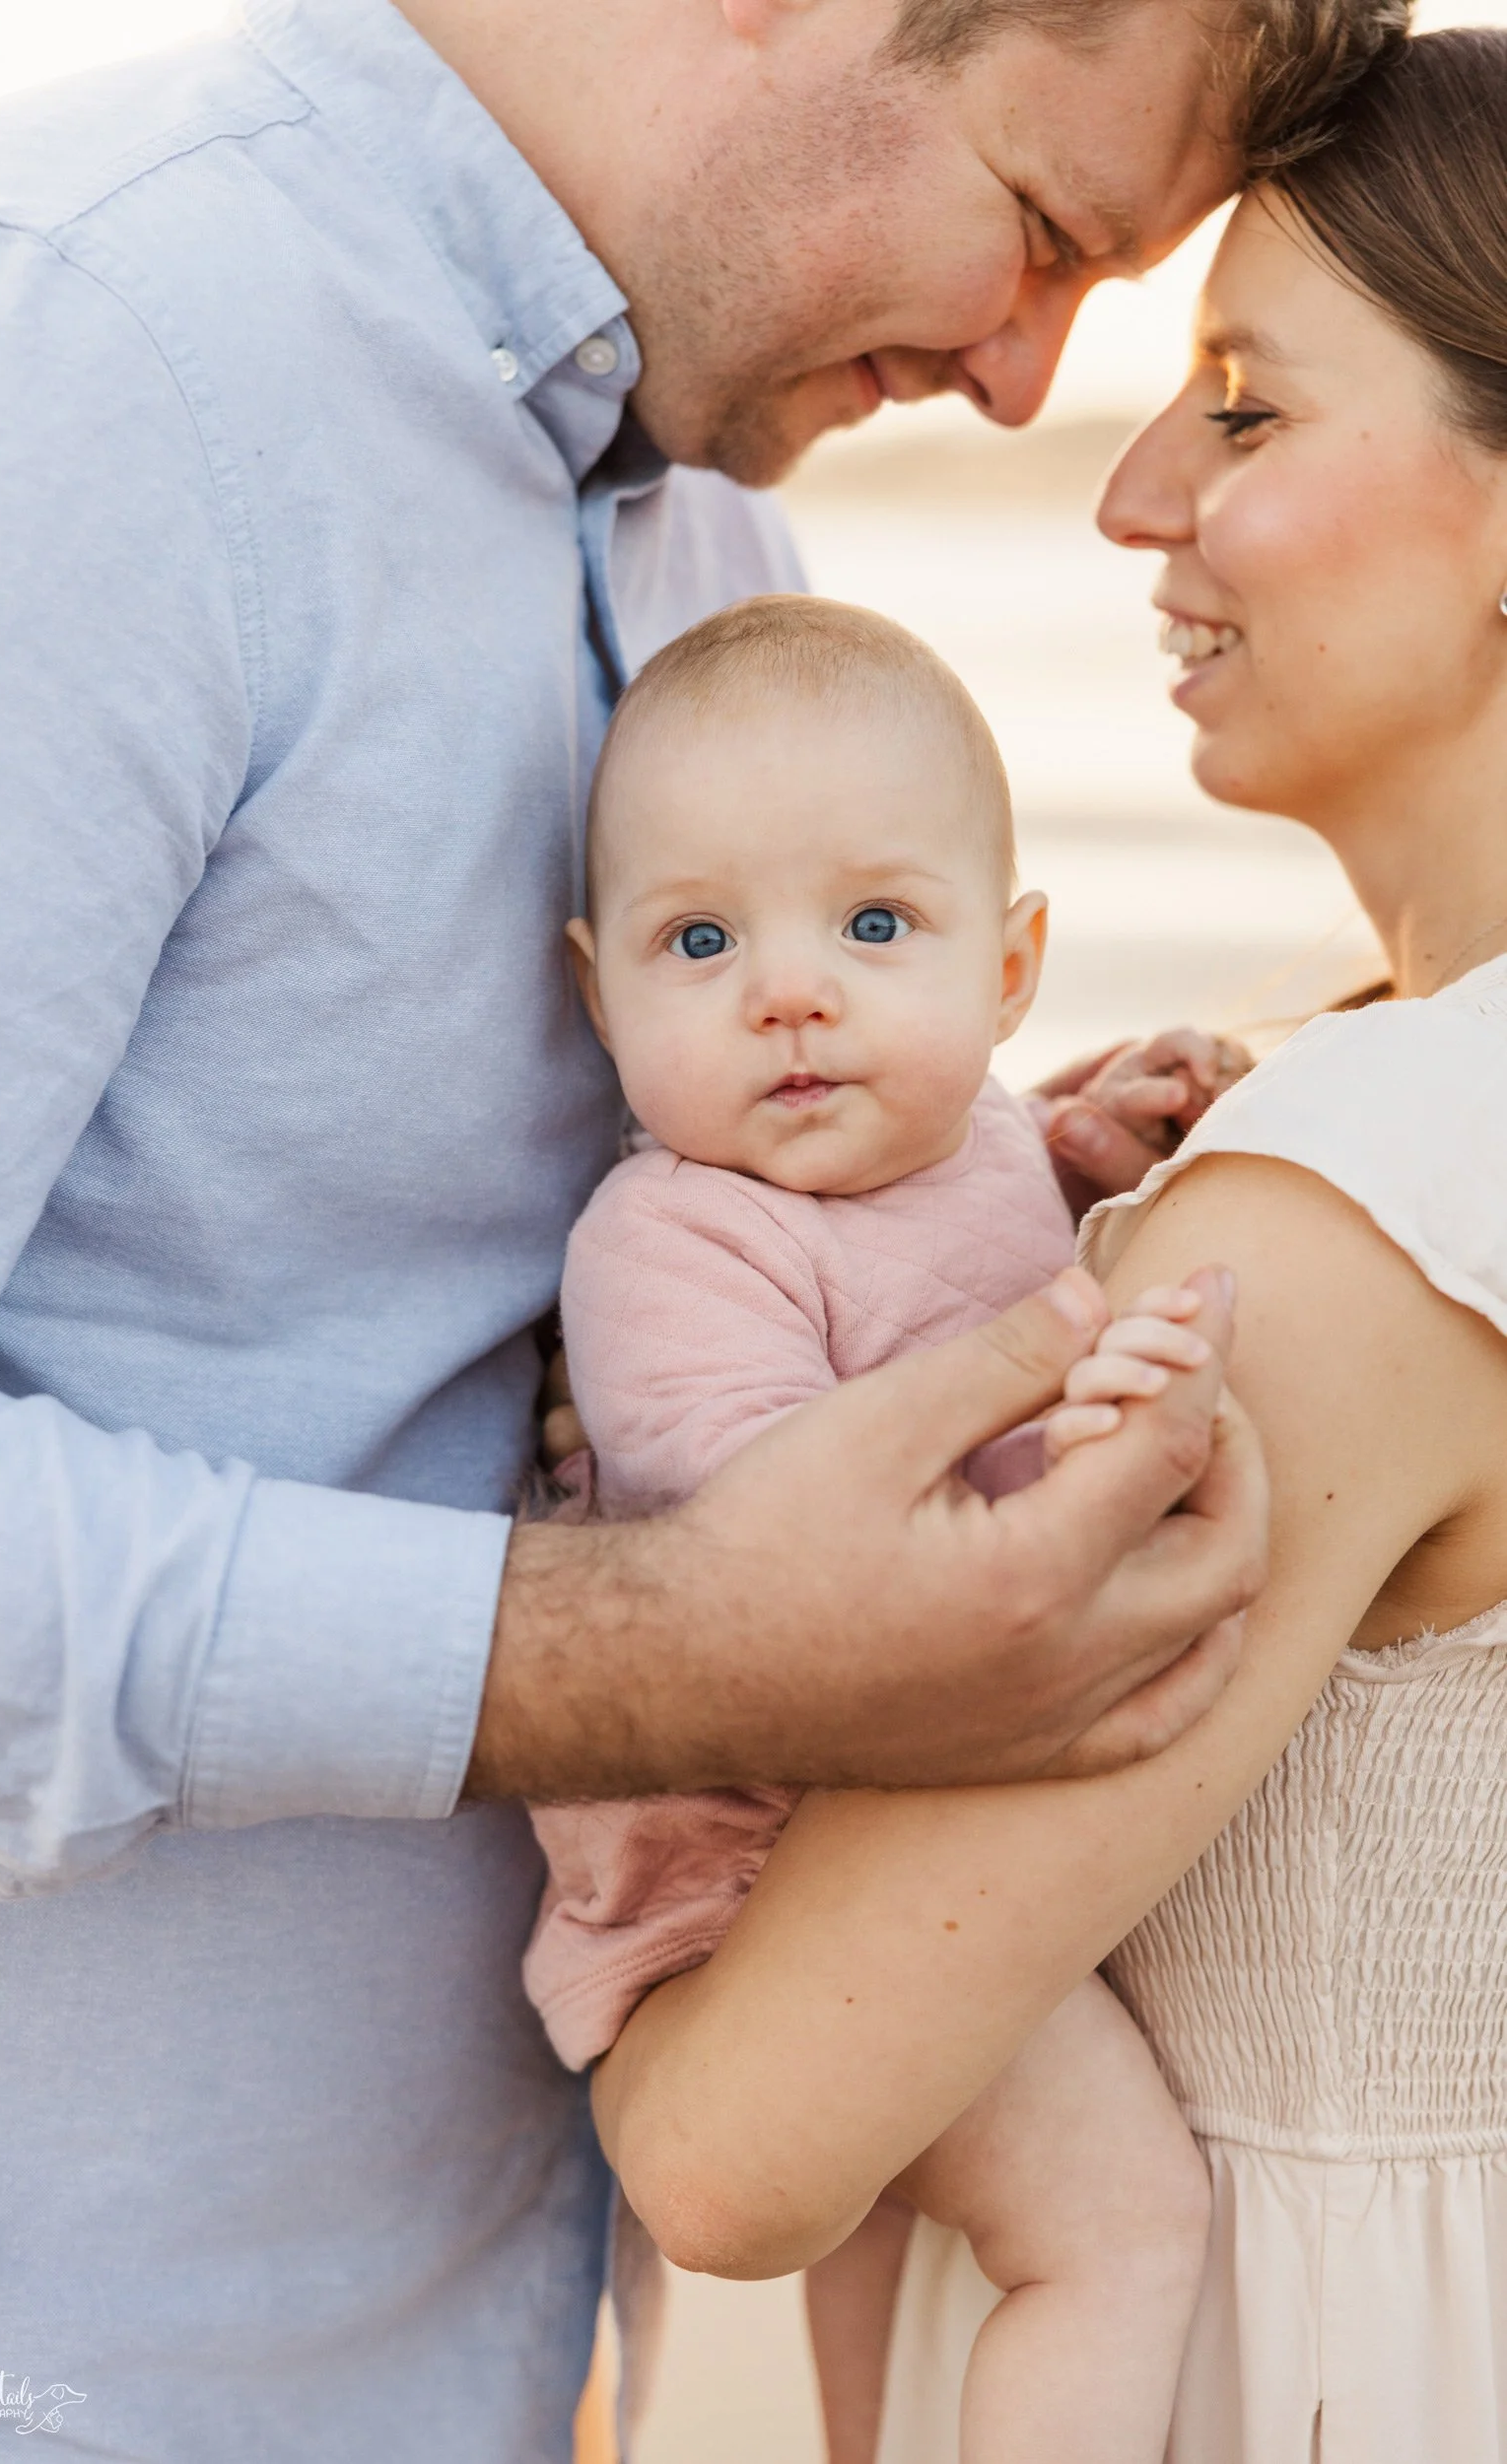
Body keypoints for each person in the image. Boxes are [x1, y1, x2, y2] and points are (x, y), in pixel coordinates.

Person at [0, 0, 1393, 2455]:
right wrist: (668, 1647)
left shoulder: (713, 553)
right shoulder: (73, 346)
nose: (1029, 388)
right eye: (1040, 231)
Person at [588, 26, 1507, 2462]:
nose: (1120, 494)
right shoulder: (1342, 1109)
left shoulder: (1372, 1205)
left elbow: (735, 2141)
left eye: (1241, 409)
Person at [522, 591, 1248, 2462]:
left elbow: (971, 1211)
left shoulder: (986, 1133)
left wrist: (1104, 1149)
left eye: (873, 926)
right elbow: (792, 1556)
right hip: (749, 1870)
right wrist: (1089, 1425)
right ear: (600, 995)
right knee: (1116, 2227)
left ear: (1008, 973)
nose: (792, 992)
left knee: (892, 2248)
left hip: (865, 1813)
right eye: (703, 941)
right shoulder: (672, 1241)